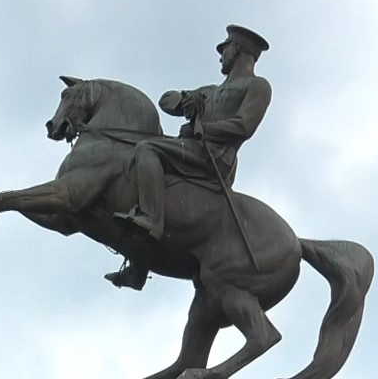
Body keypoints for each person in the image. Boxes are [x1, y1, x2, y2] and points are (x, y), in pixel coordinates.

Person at [108, 24, 272, 289]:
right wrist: (184, 100)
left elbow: (244, 126)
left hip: (217, 157)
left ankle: (151, 221)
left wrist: (202, 129)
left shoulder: (257, 87)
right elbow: (165, 100)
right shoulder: (210, 91)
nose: (221, 54)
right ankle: (138, 267)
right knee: (142, 172)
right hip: (193, 151)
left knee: (148, 149)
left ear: (238, 49)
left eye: (225, 48)